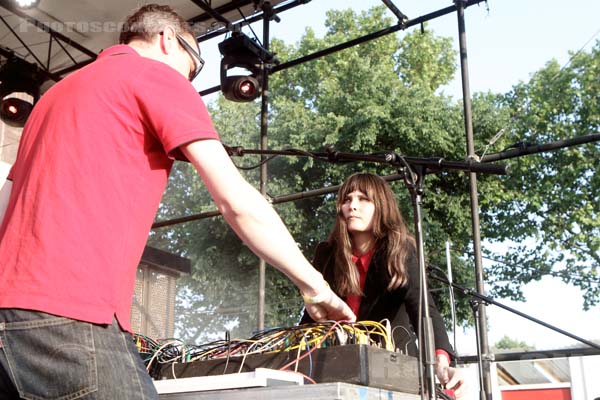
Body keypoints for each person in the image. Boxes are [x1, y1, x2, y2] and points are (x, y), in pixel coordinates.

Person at [0, 4, 354, 399]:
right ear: (168, 40)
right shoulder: (154, 75)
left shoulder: (54, 96)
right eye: (195, 62)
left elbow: (5, 206)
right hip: (70, 312)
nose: (192, 75)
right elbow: (236, 201)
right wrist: (316, 287)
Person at [300, 172, 466, 398]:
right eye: (347, 199)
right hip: (336, 366)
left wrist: (441, 360)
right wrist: (292, 351)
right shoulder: (326, 254)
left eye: (363, 199)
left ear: (381, 206)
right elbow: (312, 317)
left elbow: (424, 309)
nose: (352, 206)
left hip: (393, 369)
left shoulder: (401, 250)